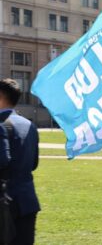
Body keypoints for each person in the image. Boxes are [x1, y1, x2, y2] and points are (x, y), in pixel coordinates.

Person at [0, 78, 40, 245]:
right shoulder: (29, 125)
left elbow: (2, 161)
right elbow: (34, 164)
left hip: (5, 204)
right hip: (28, 200)